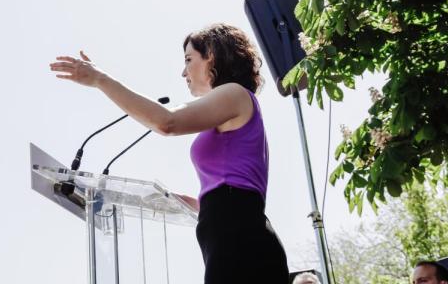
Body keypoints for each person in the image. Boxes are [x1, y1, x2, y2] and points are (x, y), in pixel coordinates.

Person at [50, 23, 290, 283]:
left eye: (189, 59)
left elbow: (167, 122)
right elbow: (227, 195)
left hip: (242, 243)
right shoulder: (231, 106)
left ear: (213, 55)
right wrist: (169, 201)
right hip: (232, 239)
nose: (183, 72)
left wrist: (100, 80)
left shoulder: (234, 94)